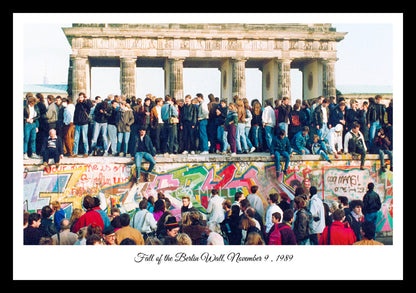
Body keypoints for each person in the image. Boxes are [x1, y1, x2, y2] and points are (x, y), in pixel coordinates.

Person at [72, 92, 93, 157]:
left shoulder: (86, 104)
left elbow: (90, 105)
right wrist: (74, 123)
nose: (80, 98)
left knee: (84, 139)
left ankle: (86, 152)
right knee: (76, 139)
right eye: (79, 97)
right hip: (78, 123)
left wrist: (86, 100)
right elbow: (75, 114)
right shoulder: (77, 105)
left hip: (84, 123)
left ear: (84, 97)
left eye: (81, 97)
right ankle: (75, 152)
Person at [23, 95, 41, 159]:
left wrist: (33, 119)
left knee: (33, 139)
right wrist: (26, 119)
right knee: (26, 139)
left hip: (33, 123)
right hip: (27, 124)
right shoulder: (25, 107)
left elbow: (38, 115)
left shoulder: (36, 107)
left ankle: (33, 153)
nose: (32, 104)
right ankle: (25, 153)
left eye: (33, 103)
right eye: (31, 103)